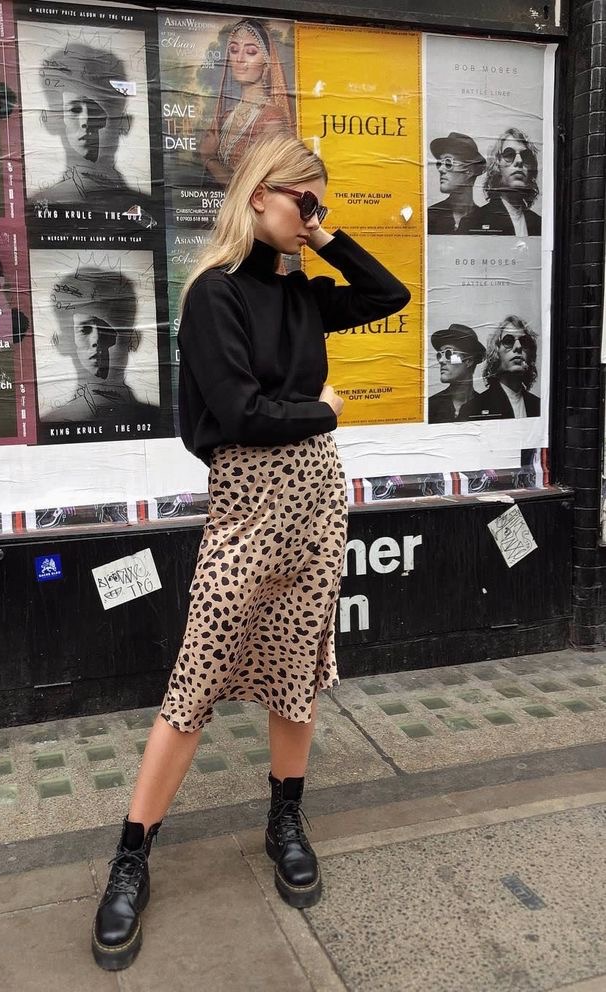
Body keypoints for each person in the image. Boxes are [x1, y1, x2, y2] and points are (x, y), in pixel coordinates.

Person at [90, 134, 410, 972]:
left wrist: (326, 236)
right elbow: (237, 414)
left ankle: (285, 817)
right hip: (246, 503)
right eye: (305, 200)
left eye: (320, 203)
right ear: (259, 192)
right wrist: (324, 412)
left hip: (317, 500)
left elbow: (391, 293)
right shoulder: (215, 294)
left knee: (297, 665)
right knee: (197, 675)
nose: (312, 215)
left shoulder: (299, 292)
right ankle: (132, 853)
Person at [30, 45, 148, 215]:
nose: (86, 121)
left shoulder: (148, 210)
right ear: (52, 121)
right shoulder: (34, 208)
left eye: (98, 110)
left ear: (124, 123)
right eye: (75, 110)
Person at [42, 267, 157, 422]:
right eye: (84, 330)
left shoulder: (159, 419)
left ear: (133, 340)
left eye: (108, 329)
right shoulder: (47, 425)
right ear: (63, 342)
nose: (96, 340)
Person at [199, 18, 294, 184]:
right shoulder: (227, 116)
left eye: (250, 52)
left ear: (266, 62)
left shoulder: (272, 119)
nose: (239, 59)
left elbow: (257, 187)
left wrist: (209, 159)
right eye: (234, 50)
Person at [460, 128, 542, 236]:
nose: (519, 161)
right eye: (509, 154)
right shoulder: (473, 221)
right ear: (497, 166)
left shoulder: (539, 224)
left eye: (525, 155)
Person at [468, 315, 541, 419]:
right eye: (508, 341)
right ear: (496, 353)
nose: (518, 346)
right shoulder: (474, 408)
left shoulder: (539, 406)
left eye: (524, 341)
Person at [427, 133, 486, 234]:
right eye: (439, 163)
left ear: (469, 171)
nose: (441, 169)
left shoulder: (486, 218)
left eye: (448, 163)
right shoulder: (430, 216)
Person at [428, 323, 486, 423]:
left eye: (448, 353)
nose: (441, 360)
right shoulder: (430, 406)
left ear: (468, 361)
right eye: (439, 355)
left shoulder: (486, 404)